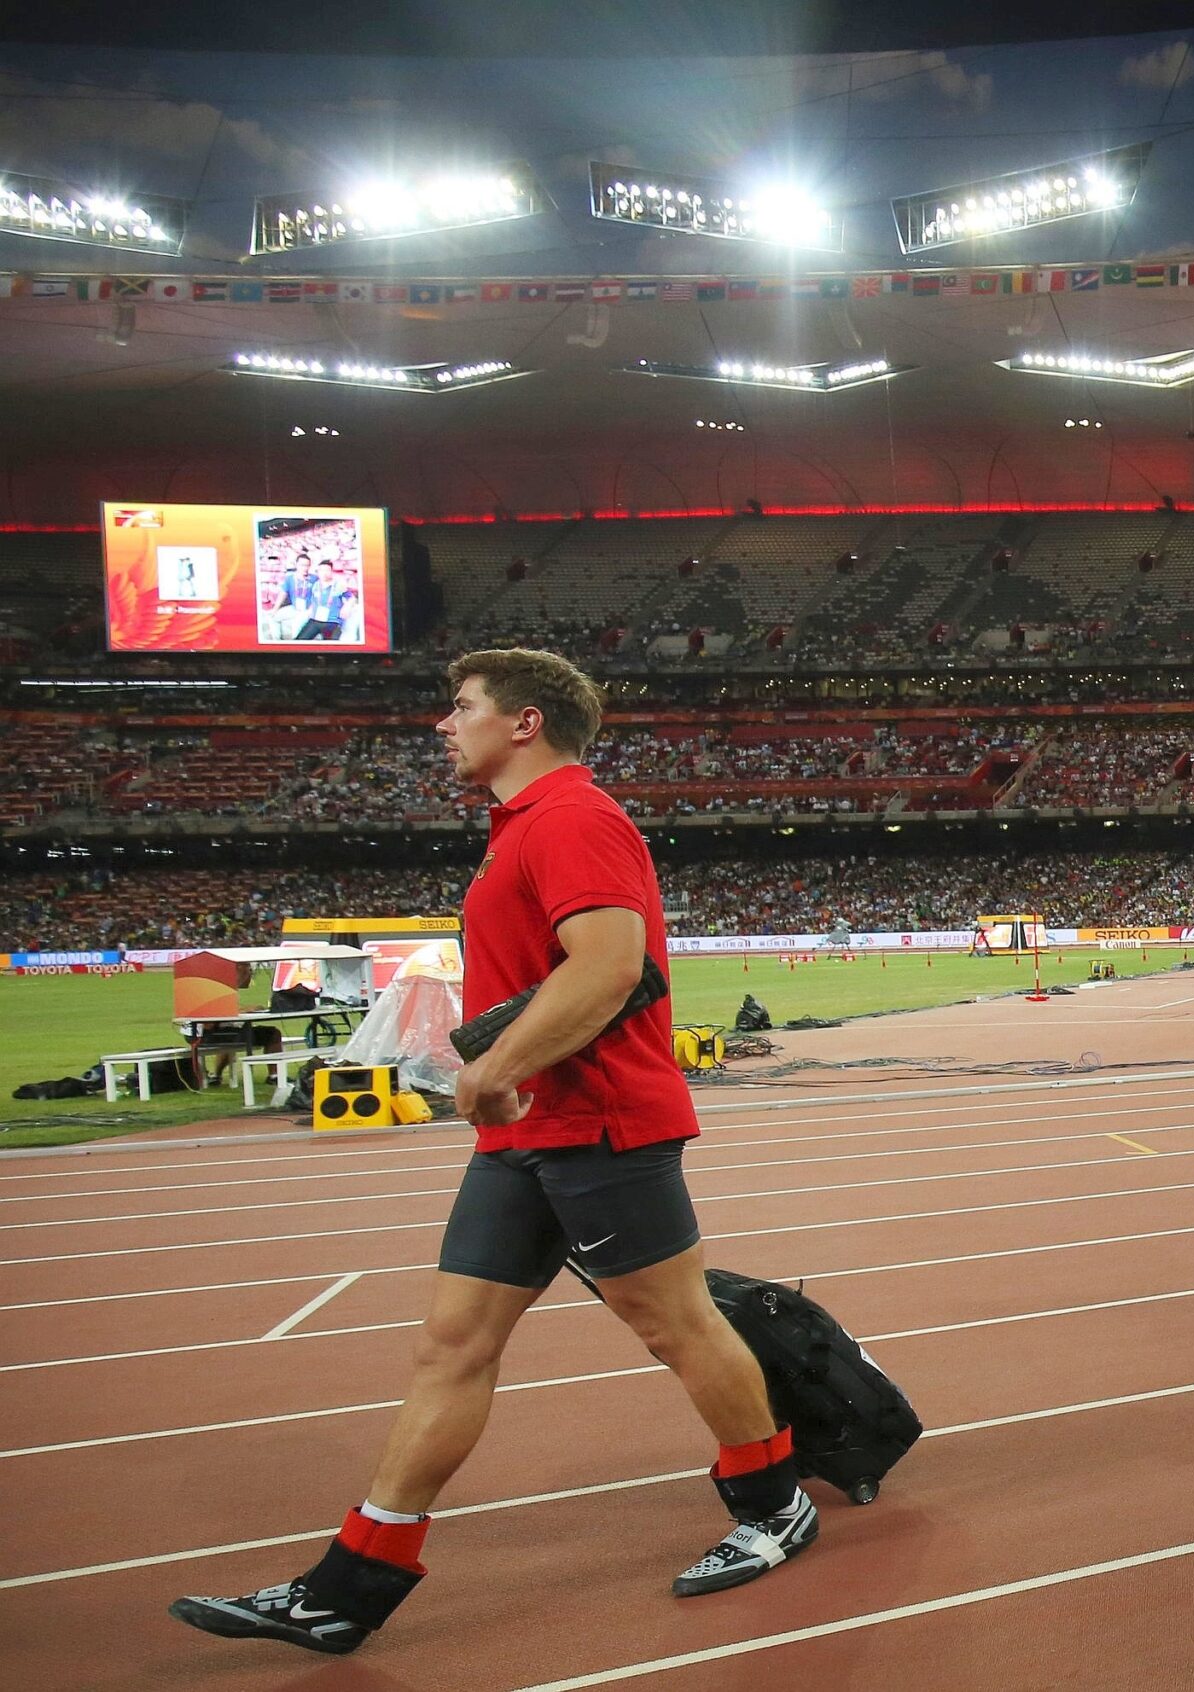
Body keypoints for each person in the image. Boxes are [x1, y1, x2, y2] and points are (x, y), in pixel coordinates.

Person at [171, 649, 818, 1658]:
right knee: (452, 1344)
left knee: (677, 1328)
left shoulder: (574, 818)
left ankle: (774, 1503)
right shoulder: (520, 827)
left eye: (461, 706)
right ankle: (351, 1583)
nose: (444, 723)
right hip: (527, 1131)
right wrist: (503, 1082)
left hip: (600, 1122)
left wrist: (488, 1069)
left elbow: (610, 968)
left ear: (524, 722)